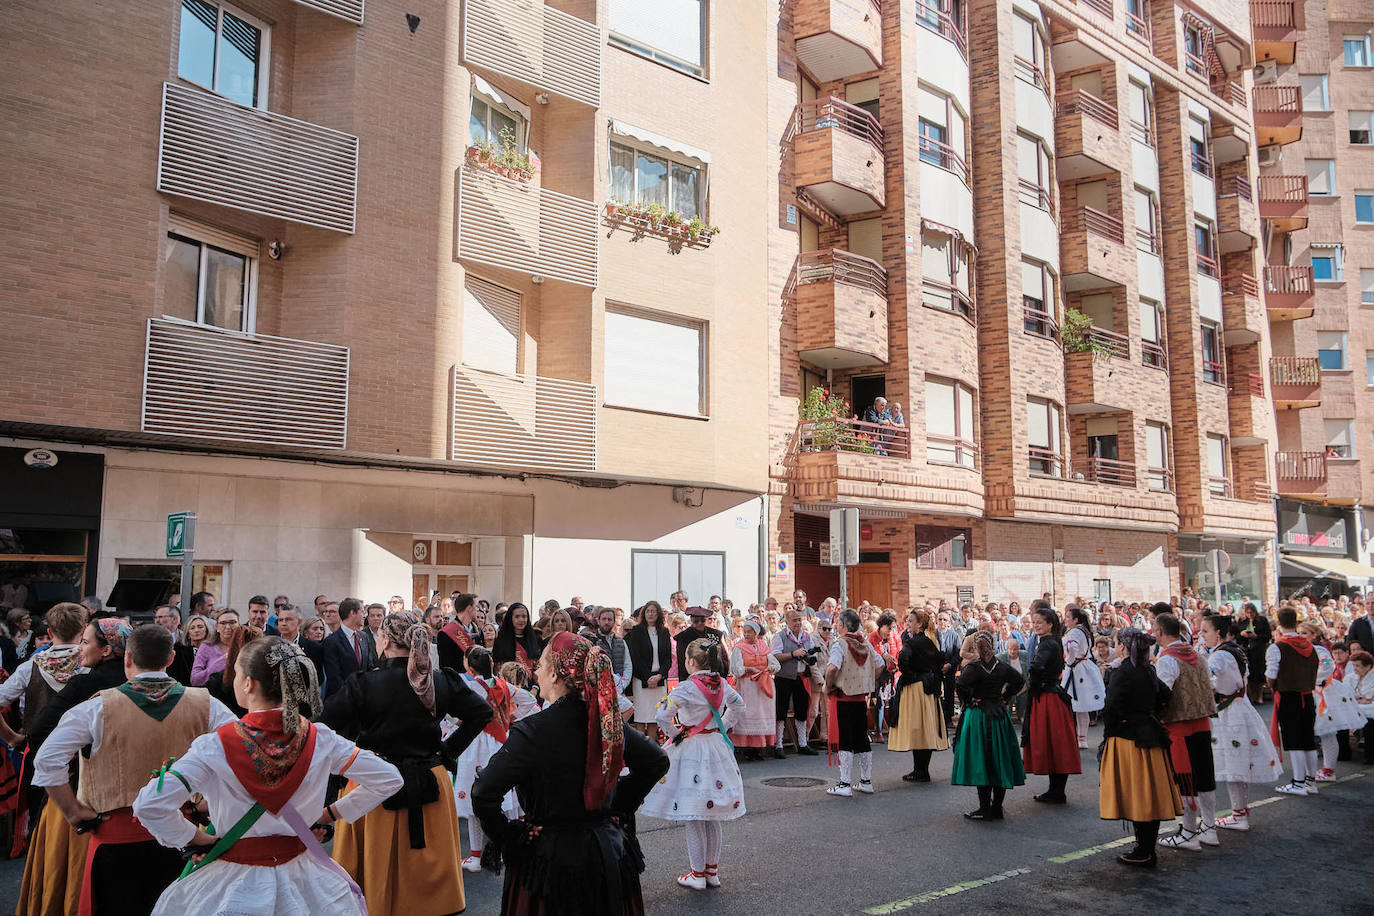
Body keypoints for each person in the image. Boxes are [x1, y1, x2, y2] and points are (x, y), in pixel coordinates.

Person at [133, 637, 402, 915]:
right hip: (305, 878)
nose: (234, 680)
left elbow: (150, 804)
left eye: (236, 673)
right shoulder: (320, 739)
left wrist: (192, 838)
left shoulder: (214, 746)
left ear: (248, 683)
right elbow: (389, 778)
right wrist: (330, 813)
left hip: (232, 880)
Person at [32, 624, 238, 915]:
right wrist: (208, 801)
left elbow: (46, 760)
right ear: (170, 659)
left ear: (127, 658)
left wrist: (73, 811)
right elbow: (239, 753)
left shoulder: (97, 708)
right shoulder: (207, 704)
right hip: (183, 834)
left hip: (115, 836)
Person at [472, 632, 667, 914]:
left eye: (540, 665)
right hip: (604, 853)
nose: (535, 672)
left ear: (555, 675)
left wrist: (510, 836)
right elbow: (655, 761)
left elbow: (483, 792)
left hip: (548, 859)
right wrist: (613, 806)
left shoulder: (532, 731)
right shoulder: (606, 722)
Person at [322, 611, 493, 916]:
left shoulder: (363, 683)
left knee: (370, 872)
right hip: (428, 778)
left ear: (384, 640)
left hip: (372, 784)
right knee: (426, 873)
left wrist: (351, 758)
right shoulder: (440, 680)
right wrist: (447, 751)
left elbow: (324, 727)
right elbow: (481, 713)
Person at [641, 638, 745, 890]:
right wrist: (723, 726)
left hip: (692, 750)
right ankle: (712, 872)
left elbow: (661, 714)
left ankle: (697, 874)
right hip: (715, 746)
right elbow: (738, 706)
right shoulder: (720, 683)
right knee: (712, 817)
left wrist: (675, 732)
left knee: (696, 815)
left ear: (689, 662)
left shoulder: (687, 688)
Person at [1098, 628, 1182, 868]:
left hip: (1128, 739)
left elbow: (1111, 706)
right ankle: (1145, 847)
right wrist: (1149, 713)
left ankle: (1144, 850)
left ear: (1123, 647)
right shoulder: (1148, 670)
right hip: (1150, 735)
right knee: (1149, 794)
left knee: (1138, 794)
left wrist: (1117, 726)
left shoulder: (1122, 672)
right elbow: (1165, 696)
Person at [1199, 615, 1282, 833]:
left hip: (1230, 713)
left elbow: (1207, 677)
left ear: (1218, 633)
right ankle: (1240, 812)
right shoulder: (1235, 650)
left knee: (1232, 763)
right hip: (1238, 708)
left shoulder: (1221, 655)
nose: (1202, 635)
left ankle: (1239, 814)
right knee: (1237, 763)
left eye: (1205, 631)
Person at [453, 647, 524, 873]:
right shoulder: (504, 685)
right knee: (499, 796)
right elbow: (530, 701)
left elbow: (449, 710)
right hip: (499, 742)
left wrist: (455, 723)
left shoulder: (468, 686)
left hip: (473, 743)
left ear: (468, 666)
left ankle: (475, 856)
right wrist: (509, 719)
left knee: (476, 799)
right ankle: (502, 850)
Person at [1154, 611, 1220, 851]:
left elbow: (1162, 693)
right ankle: (1209, 828)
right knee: (1205, 775)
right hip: (1202, 721)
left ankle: (1189, 831)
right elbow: (1212, 684)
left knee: (1185, 778)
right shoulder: (1198, 654)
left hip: (1179, 725)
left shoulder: (1167, 659)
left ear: (1160, 631)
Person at [951, 631, 1026, 820]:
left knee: (982, 760)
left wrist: (970, 700)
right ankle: (997, 807)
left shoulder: (974, 668)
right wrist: (1005, 696)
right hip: (999, 716)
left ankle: (984, 808)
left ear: (976, 647)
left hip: (979, 716)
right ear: (993, 646)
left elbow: (960, 684)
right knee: (999, 760)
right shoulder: (1001, 667)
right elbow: (1019, 680)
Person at [1022, 603, 1081, 803]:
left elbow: (1037, 667)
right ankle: (1056, 790)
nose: (1036, 625)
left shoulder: (1047, 643)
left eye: (1040, 622)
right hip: (1053, 694)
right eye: (1034, 622)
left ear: (1050, 624)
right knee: (1056, 743)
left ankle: (1056, 791)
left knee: (1053, 743)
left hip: (1048, 697)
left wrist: (1035, 680)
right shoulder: (1052, 640)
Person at [823, 610, 884, 797]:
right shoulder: (865, 644)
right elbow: (880, 665)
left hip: (843, 696)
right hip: (860, 698)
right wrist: (867, 680)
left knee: (845, 739)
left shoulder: (839, 644)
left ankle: (845, 783)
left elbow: (832, 668)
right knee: (861, 738)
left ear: (842, 625)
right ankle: (866, 781)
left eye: (837, 623)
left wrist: (829, 686)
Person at [889, 609, 948, 782]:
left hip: (915, 689)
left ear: (919, 624)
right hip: (928, 688)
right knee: (926, 729)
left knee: (917, 729)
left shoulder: (912, 642)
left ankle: (919, 771)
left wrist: (912, 676)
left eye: (911, 620)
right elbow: (939, 663)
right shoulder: (930, 642)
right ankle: (922, 770)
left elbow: (903, 662)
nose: (908, 623)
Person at [1267, 607, 1321, 796]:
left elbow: (1271, 675)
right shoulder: (1309, 645)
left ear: (1279, 623)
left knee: (1294, 740)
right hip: (1307, 694)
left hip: (1288, 695)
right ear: (1296, 622)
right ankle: (1310, 782)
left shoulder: (1278, 646)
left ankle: (1298, 783)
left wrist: (1273, 685)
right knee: (1308, 740)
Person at [1302, 622, 1364, 779]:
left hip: (1323, 693)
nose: (1301, 636)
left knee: (1327, 732)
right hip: (1309, 692)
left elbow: (1328, 667)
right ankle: (1309, 770)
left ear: (1314, 635)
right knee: (1310, 734)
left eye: (1305, 633)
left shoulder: (1319, 650)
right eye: (1300, 633)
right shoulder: (1300, 650)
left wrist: (1313, 680)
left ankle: (1328, 770)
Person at [769, 608, 819, 758]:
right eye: (794, 620)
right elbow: (775, 656)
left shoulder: (806, 636)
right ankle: (778, 746)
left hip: (801, 677)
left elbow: (813, 654)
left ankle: (802, 744)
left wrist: (808, 656)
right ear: (787, 622)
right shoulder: (780, 636)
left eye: (799, 620)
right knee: (781, 710)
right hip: (783, 677)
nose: (797, 622)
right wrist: (793, 654)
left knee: (802, 709)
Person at [728, 619, 779, 758]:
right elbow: (736, 669)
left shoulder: (763, 646)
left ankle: (759, 748)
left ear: (756, 633)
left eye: (749, 632)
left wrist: (769, 668)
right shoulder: (739, 647)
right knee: (748, 713)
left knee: (761, 714)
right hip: (747, 685)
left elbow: (776, 664)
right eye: (745, 632)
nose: (746, 634)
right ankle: (746, 749)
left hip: (763, 684)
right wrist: (748, 668)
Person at [625, 601, 673, 740]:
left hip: (659, 679)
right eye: (648, 611)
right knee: (641, 718)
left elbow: (668, 659)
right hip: (641, 680)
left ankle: (652, 750)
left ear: (658, 614)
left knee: (654, 718)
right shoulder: (636, 631)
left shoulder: (664, 632)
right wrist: (647, 678)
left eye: (653, 611)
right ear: (644, 614)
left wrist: (659, 676)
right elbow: (636, 657)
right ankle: (641, 751)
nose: (651, 614)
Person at [1062, 605, 1106, 747]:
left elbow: (1072, 648)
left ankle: (1077, 738)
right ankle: (1082, 738)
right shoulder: (1083, 630)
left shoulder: (1075, 632)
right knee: (1081, 706)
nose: (1066, 620)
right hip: (1084, 667)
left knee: (1073, 704)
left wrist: (1069, 661)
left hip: (1077, 670)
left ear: (1075, 620)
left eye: (1068, 617)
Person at [321, 598, 376, 700]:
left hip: (364, 700)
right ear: (352, 613)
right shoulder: (331, 641)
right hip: (343, 701)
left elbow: (368, 667)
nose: (365, 616)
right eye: (362, 611)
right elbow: (334, 677)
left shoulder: (363, 636)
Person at [191, 608, 240, 686]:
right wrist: (221, 661)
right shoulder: (206, 647)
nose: (228, 627)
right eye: (223, 623)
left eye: (232, 622)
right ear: (217, 627)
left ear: (239, 625)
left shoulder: (246, 647)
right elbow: (195, 679)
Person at [490, 602, 541, 678]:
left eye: (524, 616)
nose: (521, 620)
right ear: (510, 618)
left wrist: (535, 687)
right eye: (517, 617)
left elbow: (538, 667)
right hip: (508, 686)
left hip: (532, 686)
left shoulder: (535, 639)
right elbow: (498, 668)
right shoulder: (501, 640)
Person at [437, 593, 483, 673]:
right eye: (476, 607)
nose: (477, 610)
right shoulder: (446, 633)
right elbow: (445, 666)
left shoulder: (478, 630)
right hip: (457, 680)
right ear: (469, 608)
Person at [1237, 602, 1272, 705]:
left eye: (1252, 612)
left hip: (1259, 649)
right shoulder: (1242, 621)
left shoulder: (1262, 620)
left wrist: (1255, 636)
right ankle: (1251, 696)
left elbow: (1267, 636)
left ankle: (1259, 696)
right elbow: (1238, 636)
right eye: (1247, 613)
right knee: (1249, 673)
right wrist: (1242, 634)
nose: (1250, 615)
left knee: (1259, 673)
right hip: (1247, 649)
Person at [676, 608, 723, 681]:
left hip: (713, 675)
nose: (700, 623)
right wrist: (684, 680)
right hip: (691, 676)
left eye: (702, 620)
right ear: (691, 621)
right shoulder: (683, 637)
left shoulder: (715, 634)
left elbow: (721, 657)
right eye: (696, 621)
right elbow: (682, 661)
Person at [590, 608, 631, 679]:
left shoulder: (621, 642)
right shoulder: (592, 641)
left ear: (614, 622)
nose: (606, 622)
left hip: (619, 686)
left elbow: (628, 666)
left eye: (609, 619)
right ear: (598, 621)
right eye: (604, 619)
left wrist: (623, 683)